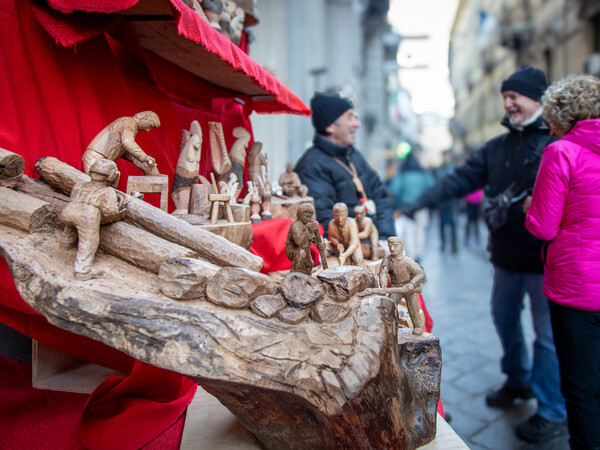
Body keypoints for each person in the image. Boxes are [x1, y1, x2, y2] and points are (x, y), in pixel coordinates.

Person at [401, 67, 566, 442]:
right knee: (505, 320)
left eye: (516, 96)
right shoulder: (496, 147)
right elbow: (458, 180)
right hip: (505, 259)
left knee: (546, 337)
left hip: (544, 261)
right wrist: (417, 203)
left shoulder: (557, 143)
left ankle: (552, 408)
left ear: (538, 99)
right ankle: (517, 380)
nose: (508, 102)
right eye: (505, 96)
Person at [525, 74, 600, 450]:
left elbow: (542, 225)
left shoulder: (562, 151)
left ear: (561, 115)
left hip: (578, 290)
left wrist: (528, 206)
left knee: (582, 389)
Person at [295, 92, 395, 242]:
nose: (357, 124)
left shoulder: (353, 155)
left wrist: (385, 238)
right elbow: (327, 225)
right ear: (330, 126)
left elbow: (380, 196)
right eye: (350, 117)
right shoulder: (311, 167)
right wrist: (370, 249)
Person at [59, 159, 128, 280]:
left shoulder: (79, 185)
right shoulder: (107, 192)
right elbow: (110, 211)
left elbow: (73, 198)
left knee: (71, 226)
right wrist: (118, 212)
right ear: (111, 176)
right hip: (87, 215)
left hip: (68, 210)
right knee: (89, 241)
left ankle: (65, 245)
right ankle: (82, 271)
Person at [82, 111, 161, 176]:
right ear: (145, 118)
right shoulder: (129, 122)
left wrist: (141, 161)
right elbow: (127, 143)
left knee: (100, 188)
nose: (148, 130)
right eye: (150, 125)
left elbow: (125, 150)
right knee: (94, 187)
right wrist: (145, 157)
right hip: (97, 156)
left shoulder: (128, 123)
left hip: (100, 157)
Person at [388, 152, 434, 263]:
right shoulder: (424, 174)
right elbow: (432, 187)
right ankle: (419, 253)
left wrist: (398, 204)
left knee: (409, 231)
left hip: (407, 207)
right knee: (421, 230)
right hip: (422, 206)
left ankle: (412, 255)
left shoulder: (403, 173)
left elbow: (395, 190)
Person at [378, 237, 425, 335]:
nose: (392, 249)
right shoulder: (387, 260)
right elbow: (383, 273)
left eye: (395, 246)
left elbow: (420, 273)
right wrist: (383, 285)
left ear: (402, 247)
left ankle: (418, 326)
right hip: (396, 287)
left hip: (409, 288)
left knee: (413, 307)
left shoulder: (408, 261)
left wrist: (411, 285)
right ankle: (389, 325)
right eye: (390, 246)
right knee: (389, 306)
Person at [285, 202, 325, 275]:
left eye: (310, 216)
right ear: (300, 215)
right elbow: (299, 242)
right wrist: (309, 230)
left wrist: (320, 241)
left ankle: (307, 278)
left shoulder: (307, 224)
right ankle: (294, 276)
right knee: (301, 254)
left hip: (305, 249)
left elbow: (314, 237)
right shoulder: (295, 225)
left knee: (309, 264)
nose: (309, 219)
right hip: (294, 250)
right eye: (307, 217)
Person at [435, 150, 458, 253]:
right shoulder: (439, 170)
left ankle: (454, 244)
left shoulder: (454, 169)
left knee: (453, 223)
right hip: (442, 200)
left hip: (452, 200)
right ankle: (443, 243)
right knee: (441, 223)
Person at [326, 202, 363, 267]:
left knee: (358, 260)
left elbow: (355, 243)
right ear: (333, 214)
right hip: (339, 246)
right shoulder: (331, 224)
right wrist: (337, 243)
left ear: (347, 213)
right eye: (337, 216)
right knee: (324, 249)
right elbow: (331, 237)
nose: (340, 219)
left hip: (352, 246)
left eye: (342, 215)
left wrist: (344, 255)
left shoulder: (351, 222)